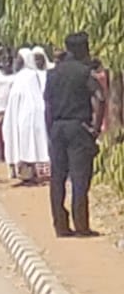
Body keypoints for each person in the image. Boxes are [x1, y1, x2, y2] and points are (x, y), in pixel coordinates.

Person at [45, 31, 104, 237]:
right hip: (79, 128)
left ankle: (60, 225)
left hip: (57, 127)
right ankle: (81, 226)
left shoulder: (53, 74)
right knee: (79, 178)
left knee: (57, 177)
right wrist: (95, 129)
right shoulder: (84, 73)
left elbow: (48, 106)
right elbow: (100, 99)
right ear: (82, 49)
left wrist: (50, 130)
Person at [7, 47, 51, 184]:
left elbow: (16, 95)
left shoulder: (26, 76)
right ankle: (28, 174)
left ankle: (30, 174)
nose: (16, 61)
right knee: (27, 142)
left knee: (26, 142)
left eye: (19, 59)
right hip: (27, 112)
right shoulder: (29, 75)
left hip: (25, 114)